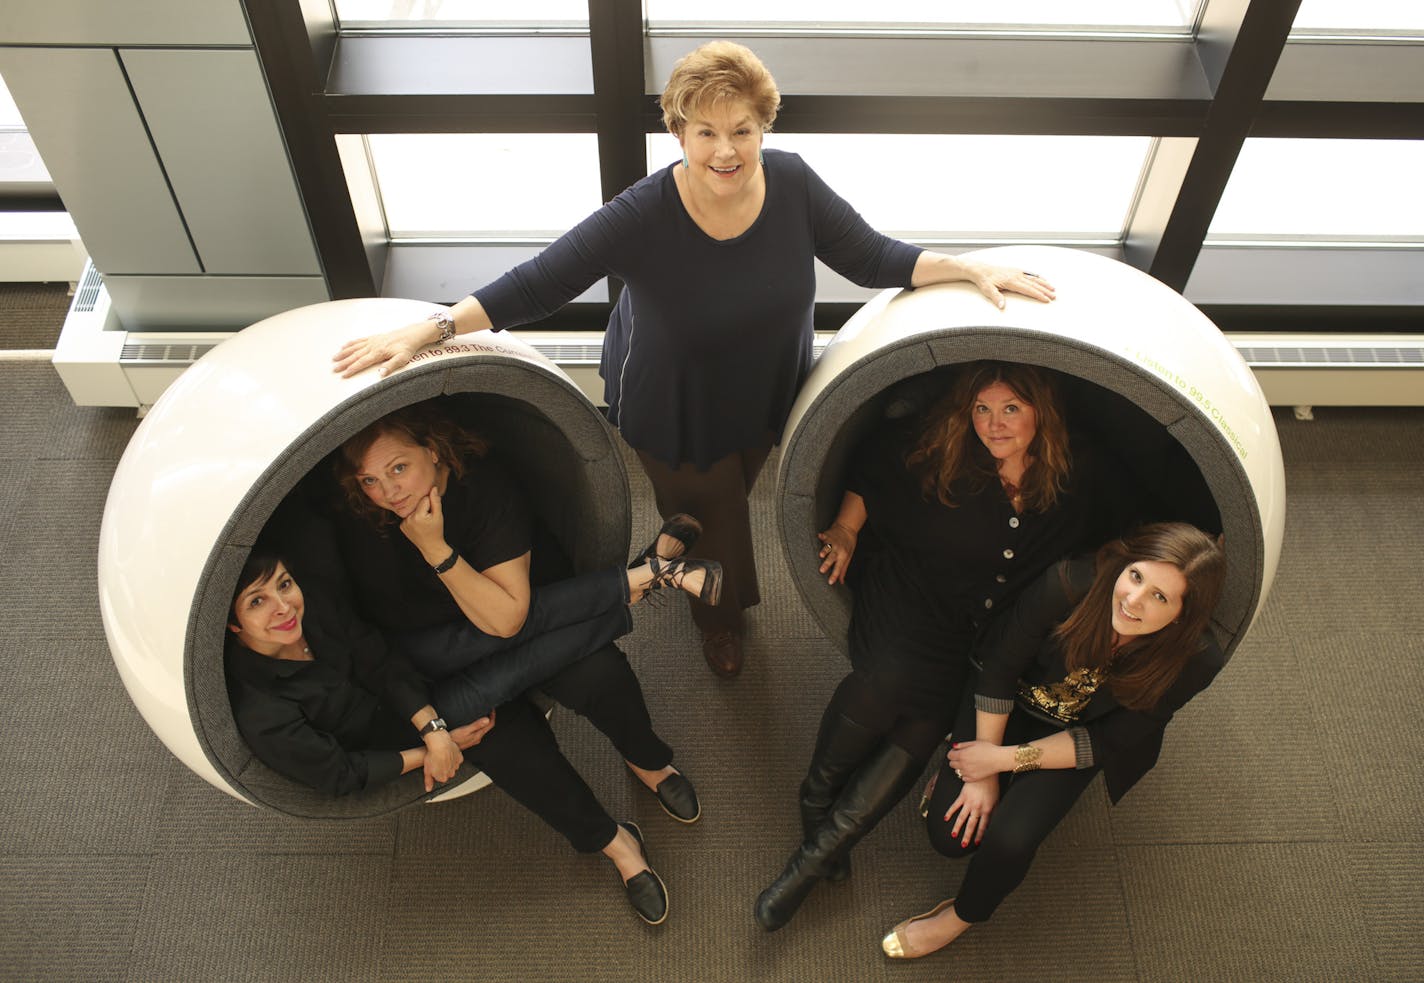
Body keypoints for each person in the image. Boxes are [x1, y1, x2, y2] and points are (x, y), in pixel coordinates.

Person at [332, 40, 1055, 678]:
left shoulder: (794, 183)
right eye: (705, 131)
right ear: (678, 131)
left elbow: (871, 255)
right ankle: (719, 616)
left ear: (764, 127)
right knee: (717, 518)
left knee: (727, 501)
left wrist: (962, 268)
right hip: (673, 405)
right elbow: (541, 281)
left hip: (764, 393)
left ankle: (677, 542)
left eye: (742, 130)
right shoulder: (645, 212)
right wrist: (430, 329)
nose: (725, 151)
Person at [755, 361, 1097, 931]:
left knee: (928, 717)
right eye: (983, 409)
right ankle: (815, 803)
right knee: (888, 682)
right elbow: (873, 465)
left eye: (1012, 408)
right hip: (912, 590)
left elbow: (1139, 510)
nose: (994, 424)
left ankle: (811, 859)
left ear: (1042, 411)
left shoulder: (1072, 479)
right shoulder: (944, 451)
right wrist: (845, 528)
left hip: (974, 630)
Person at [224, 548, 674, 923]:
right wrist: (433, 748)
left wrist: (433, 726)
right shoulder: (264, 712)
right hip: (391, 739)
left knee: (497, 641)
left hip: (407, 684)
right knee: (506, 733)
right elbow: (341, 773)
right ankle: (614, 842)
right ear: (234, 625)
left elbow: (374, 657)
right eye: (257, 602)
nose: (283, 606)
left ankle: (620, 604)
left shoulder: (312, 604)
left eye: (284, 585)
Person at [880, 522, 1226, 959]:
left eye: (1160, 596)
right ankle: (962, 759)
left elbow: (1109, 738)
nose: (1133, 601)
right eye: (1136, 576)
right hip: (1005, 700)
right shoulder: (1069, 583)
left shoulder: (1194, 660)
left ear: (1182, 614)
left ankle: (962, 915)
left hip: (1074, 738)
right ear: (1124, 563)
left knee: (1010, 842)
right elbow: (999, 666)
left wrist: (1000, 761)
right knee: (951, 838)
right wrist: (981, 774)